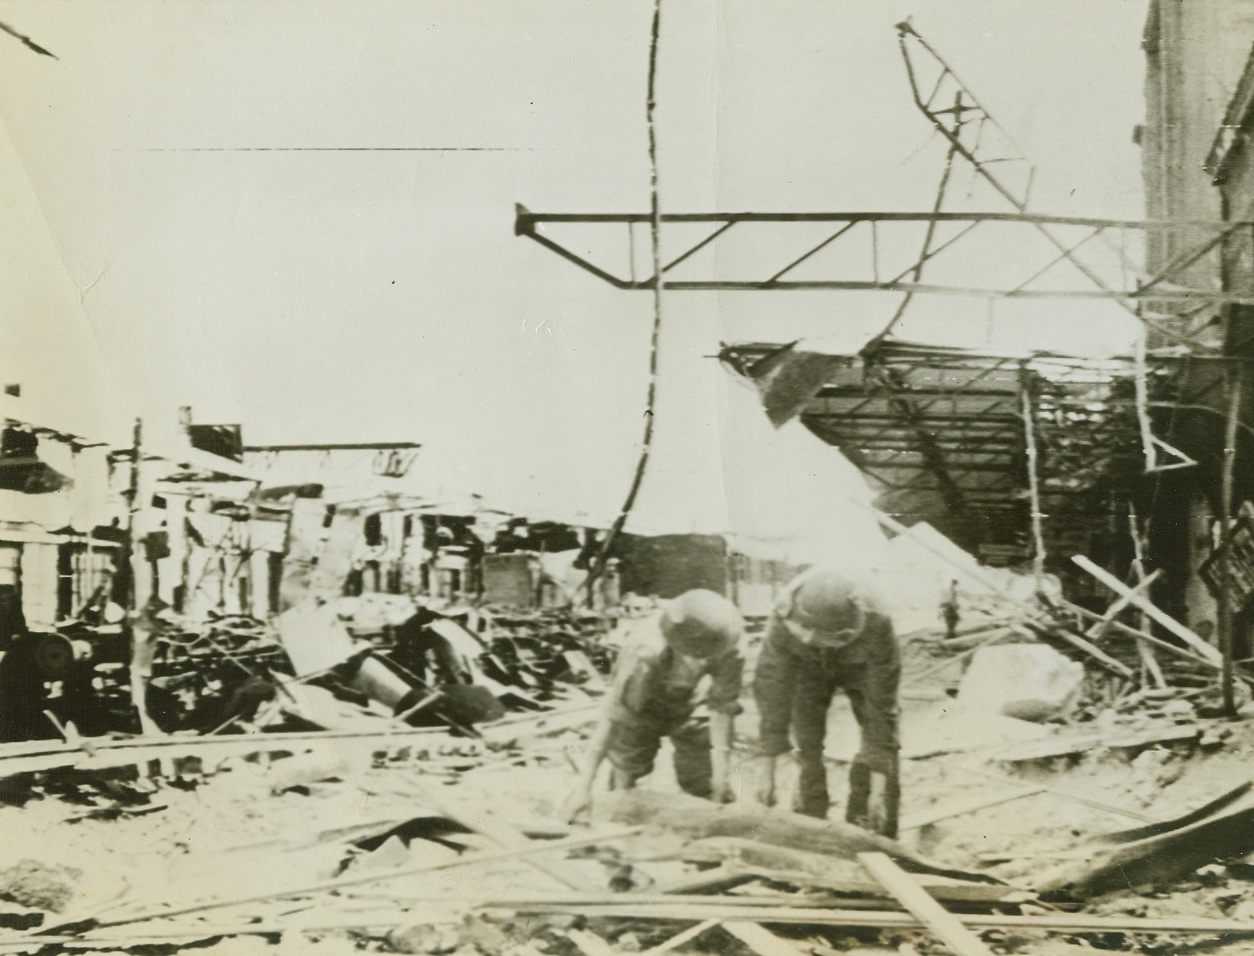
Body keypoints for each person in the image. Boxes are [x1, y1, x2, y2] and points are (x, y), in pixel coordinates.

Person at [564, 589, 745, 821]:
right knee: (627, 778)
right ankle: (620, 834)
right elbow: (613, 720)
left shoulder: (726, 639)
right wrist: (583, 789)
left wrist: (721, 776)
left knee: (705, 779)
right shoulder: (644, 655)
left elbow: (722, 709)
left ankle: (704, 844)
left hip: (690, 702)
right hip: (642, 708)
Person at [753, 565, 901, 836]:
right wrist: (767, 775)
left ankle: (869, 823)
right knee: (805, 743)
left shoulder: (878, 621)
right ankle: (809, 818)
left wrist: (878, 794)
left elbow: (881, 713)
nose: (815, 642)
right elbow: (772, 697)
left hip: (860, 667)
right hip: (805, 667)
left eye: (824, 639)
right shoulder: (784, 617)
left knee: (880, 750)